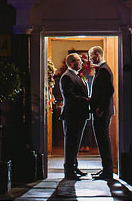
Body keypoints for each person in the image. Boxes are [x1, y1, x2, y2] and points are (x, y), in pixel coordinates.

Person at [59, 52, 89, 180]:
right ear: (71, 63)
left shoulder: (76, 75)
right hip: (72, 114)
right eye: (78, 61)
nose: (81, 63)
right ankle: (69, 170)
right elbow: (69, 96)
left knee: (75, 142)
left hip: (79, 114)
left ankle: (74, 166)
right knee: (71, 142)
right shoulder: (67, 77)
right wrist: (86, 100)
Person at [88, 45, 115, 180]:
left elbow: (109, 91)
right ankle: (106, 169)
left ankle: (107, 171)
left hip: (101, 112)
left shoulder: (104, 70)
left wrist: (101, 108)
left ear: (97, 55)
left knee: (103, 140)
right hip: (101, 111)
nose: (89, 59)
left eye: (91, 56)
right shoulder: (103, 69)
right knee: (102, 140)